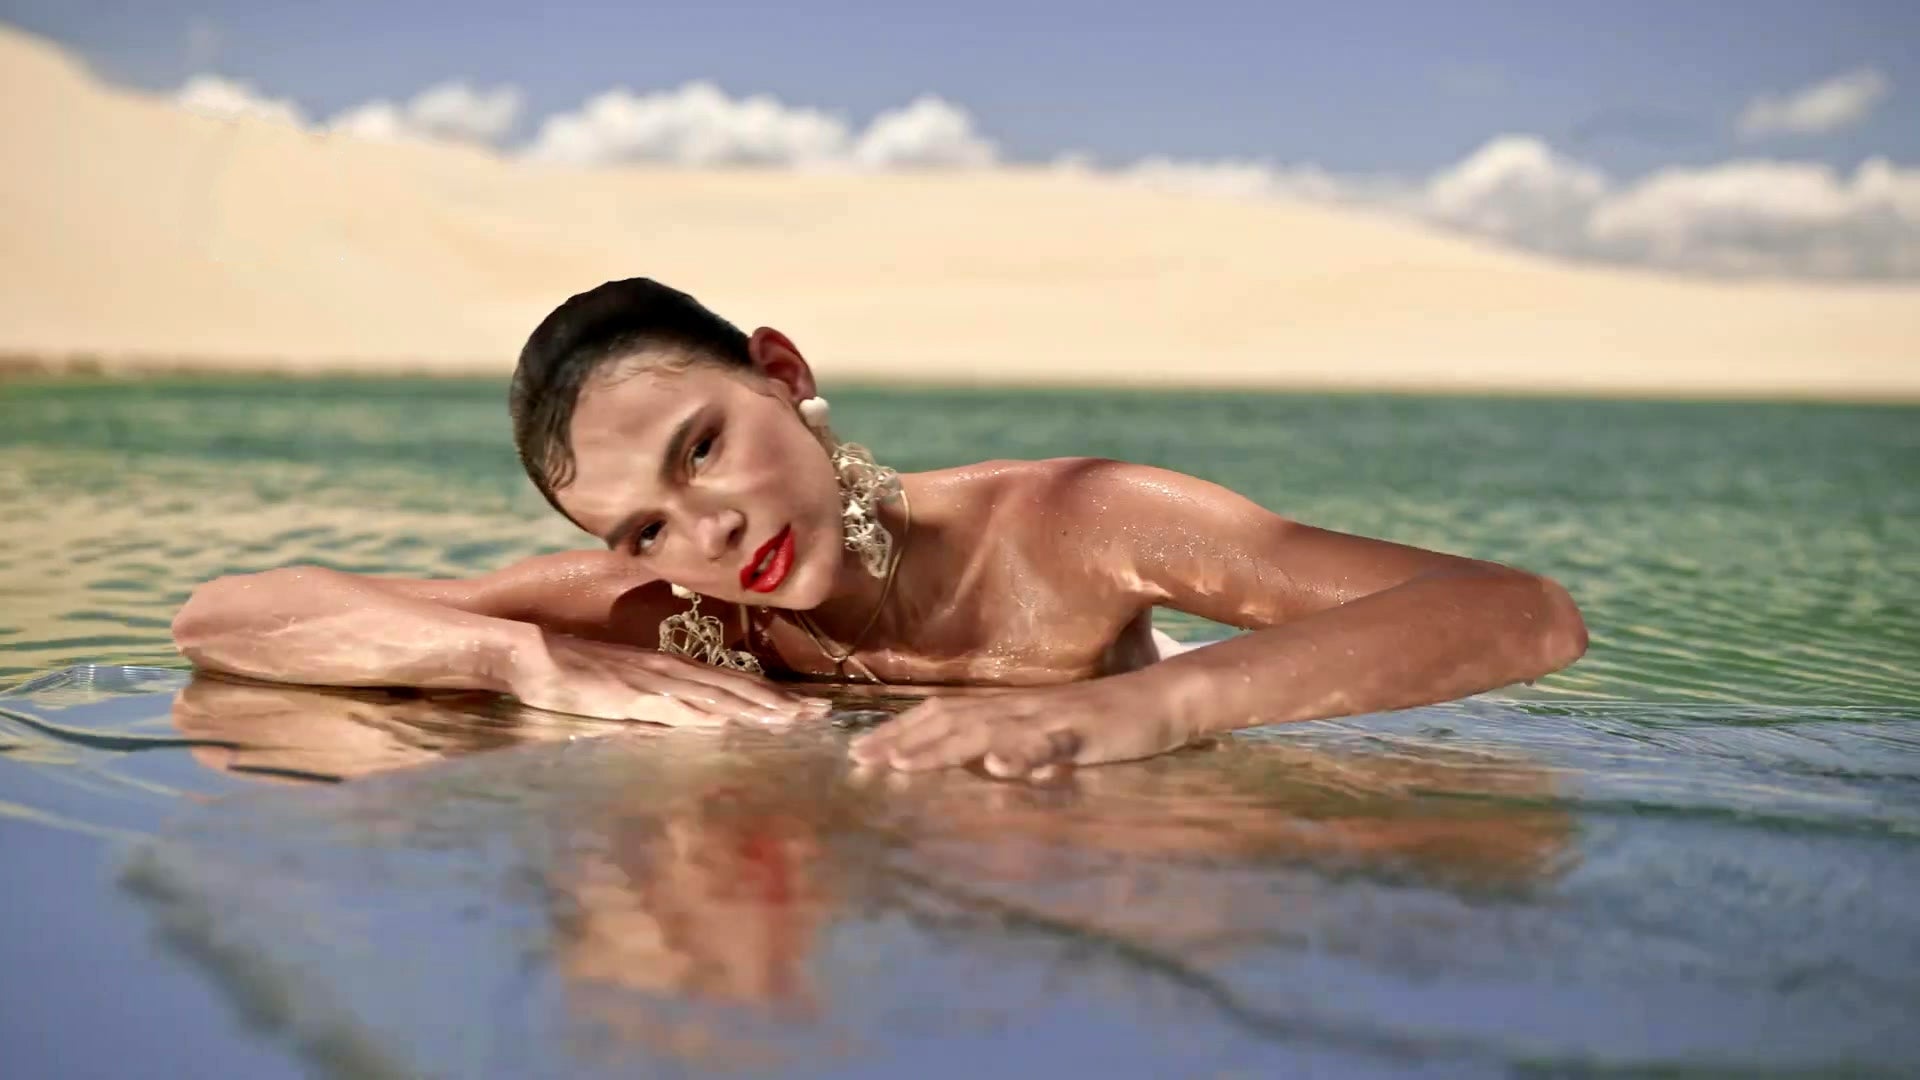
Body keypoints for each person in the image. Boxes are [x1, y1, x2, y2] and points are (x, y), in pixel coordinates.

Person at [171, 278, 1588, 778]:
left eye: (707, 445)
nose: (712, 531)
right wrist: (524, 668)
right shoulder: (684, 609)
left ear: (783, 373)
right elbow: (224, 620)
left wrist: (1136, 715)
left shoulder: (1076, 524)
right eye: (648, 525)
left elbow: (1519, 614)